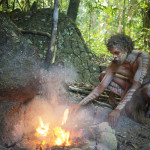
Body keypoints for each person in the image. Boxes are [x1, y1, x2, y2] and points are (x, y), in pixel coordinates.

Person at [71, 34, 150, 128]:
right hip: (129, 87)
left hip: (143, 88)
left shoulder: (142, 58)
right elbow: (100, 87)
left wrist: (117, 110)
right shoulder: (114, 64)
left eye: (117, 53)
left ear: (127, 50)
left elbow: (136, 85)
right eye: (113, 54)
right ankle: (127, 103)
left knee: (148, 90)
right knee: (103, 76)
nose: (114, 57)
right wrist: (80, 104)